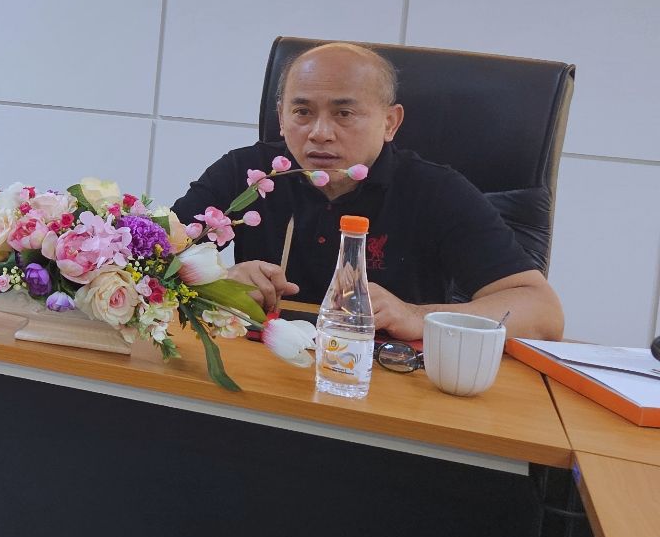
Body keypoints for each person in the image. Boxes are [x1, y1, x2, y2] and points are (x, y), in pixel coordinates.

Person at [172, 42, 563, 341]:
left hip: (385, 380)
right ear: (281, 117)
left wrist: (415, 316)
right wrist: (220, 281)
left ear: (390, 123)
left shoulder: (436, 190)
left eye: (344, 113)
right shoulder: (250, 173)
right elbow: (151, 261)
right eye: (302, 112)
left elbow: (542, 312)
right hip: (262, 368)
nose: (319, 133)